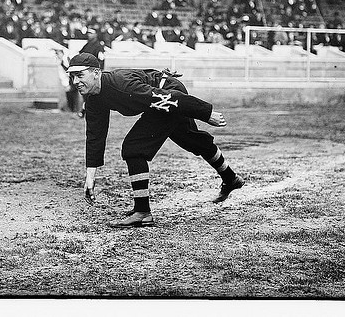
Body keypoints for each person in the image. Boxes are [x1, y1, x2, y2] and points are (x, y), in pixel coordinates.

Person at [68, 53, 245, 228]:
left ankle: (143, 212)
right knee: (193, 140)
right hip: (161, 96)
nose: (75, 82)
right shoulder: (93, 99)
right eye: (72, 76)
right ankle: (230, 179)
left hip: (169, 94)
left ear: (97, 73)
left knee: (133, 148)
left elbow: (167, 98)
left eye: (80, 75)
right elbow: (95, 136)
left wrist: (206, 113)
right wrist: (90, 178)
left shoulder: (122, 86)